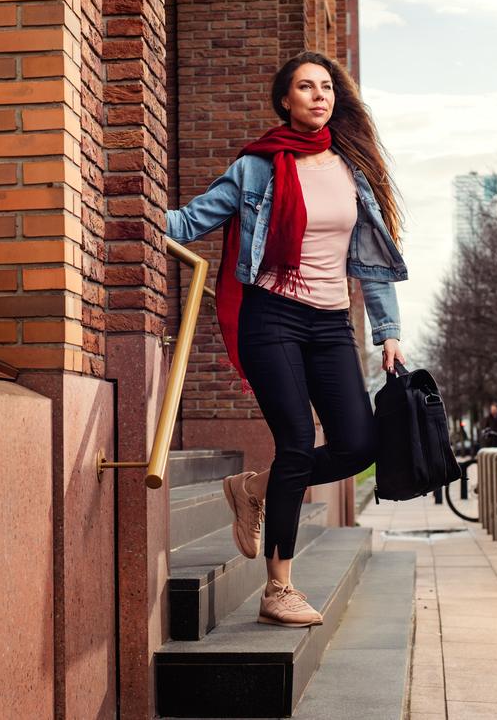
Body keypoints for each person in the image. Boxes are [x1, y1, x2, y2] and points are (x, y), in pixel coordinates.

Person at [166, 51, 406, 628]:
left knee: (357, 445)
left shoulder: (353, 169)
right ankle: (280, 588)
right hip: (271, 317)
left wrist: (388, 331)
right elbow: (192, 221)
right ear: (285, 100)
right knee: (297, 439)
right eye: (306, 87)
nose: (319, 96)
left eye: (326, 87)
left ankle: (251, 489)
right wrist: (129, 212)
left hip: (329, 324)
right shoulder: (258, 167)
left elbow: (372, 260)